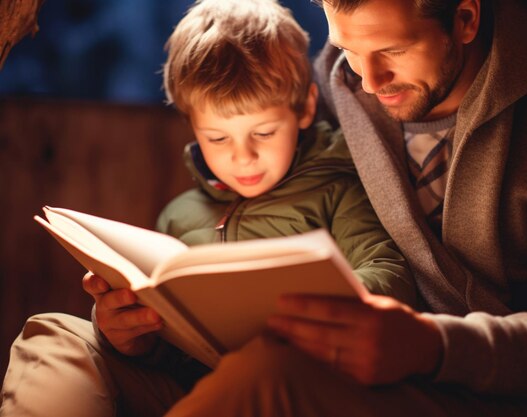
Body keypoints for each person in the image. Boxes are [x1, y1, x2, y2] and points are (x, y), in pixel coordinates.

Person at [162, 0, 527, 416]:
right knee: (88, 344)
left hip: (486, 386)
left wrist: (434, 346)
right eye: (348, 48)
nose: (368, 80)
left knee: (269, 375)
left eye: (394, 51)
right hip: (342, 366)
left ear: (464, 18)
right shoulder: (337, 83)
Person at [0, 0, 419, 416]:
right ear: (192, 125)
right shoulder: (180, 216)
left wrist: (291, 305)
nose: (243, 157)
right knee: (53, 332)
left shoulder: (336, 189)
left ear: (305, 108)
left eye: (264, 132)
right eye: (218, 138)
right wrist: (132, 338)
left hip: (291, 388)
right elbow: (180, 353)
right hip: (191, 391)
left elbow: (391, 275)